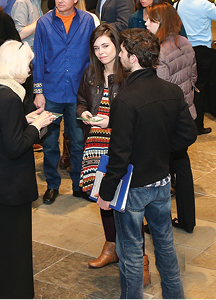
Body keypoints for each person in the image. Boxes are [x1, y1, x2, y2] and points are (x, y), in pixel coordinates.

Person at [96, 28, 196, 299]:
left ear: (133, 58)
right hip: (162, 183)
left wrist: (106, 194)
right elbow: (188, 134)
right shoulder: (172, 91)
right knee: (165, 246)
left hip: (133, 189)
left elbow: (120, 155)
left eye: (124, 52)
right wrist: (161, 149)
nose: (120, 55)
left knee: (130, 252)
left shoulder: (126, 100)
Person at [0, 40, 56, 299]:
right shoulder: (10, 98)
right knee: (15, 243)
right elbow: (15, 147)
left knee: (0, 235)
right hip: (10, 183)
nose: (31, 71)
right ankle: (14, 293)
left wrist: (26, 121)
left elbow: (0, 129)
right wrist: (37, 125)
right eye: (28, 65)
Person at [33, 0, 96, 205]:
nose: (60, 0)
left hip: (78, 94)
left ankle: (79, 184)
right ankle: (52, 185)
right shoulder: (44, 23)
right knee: (50, 142)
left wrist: (92, 90)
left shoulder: (87, 21)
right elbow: (38, 59)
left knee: (78, 140)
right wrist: (38, 91)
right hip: (51, 92)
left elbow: (91, 58)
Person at [76, 24, 128, 270]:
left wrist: (112, 121)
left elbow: (137, 113)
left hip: (121, 143)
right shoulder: (90, 73)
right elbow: (80, 102)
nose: (101, 52)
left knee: (127, 200)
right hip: (95, 143)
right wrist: (85, 113)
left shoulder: (129, 74)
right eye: (96, 48)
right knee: (101, 197)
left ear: (118, 45)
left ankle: (138, 256)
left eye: (105, 46)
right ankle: (111, 247)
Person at [143, 3, 197, 233]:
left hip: (169, 121)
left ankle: (158, 223)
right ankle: (187, 219)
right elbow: (194, 75)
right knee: (182, 166)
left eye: (150, 21)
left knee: (161, 173)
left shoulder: (161, 52)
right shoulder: (184, 42)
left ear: (161, 23)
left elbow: (161, 91)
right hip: (187, 113)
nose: (146, 23)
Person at [176, 0, 216, 135]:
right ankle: (197, 125)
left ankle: (181, 122)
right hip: (202, 51)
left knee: (184, 86)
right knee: (200, 88)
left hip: (183, 49)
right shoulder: (205, 5)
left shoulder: (179, 4)